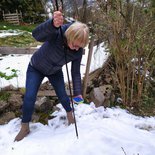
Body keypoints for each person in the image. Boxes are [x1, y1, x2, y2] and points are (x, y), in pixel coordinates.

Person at [14, 10, 89, 142]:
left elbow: (75, 73)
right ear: (70, 36)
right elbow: (36, 35)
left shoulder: (78, 51)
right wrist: (52, 25)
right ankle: (25, 126)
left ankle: (71, 118)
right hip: (35, 68)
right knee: (30, 97)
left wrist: (77, 93)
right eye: (75, 45)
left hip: (54, 71)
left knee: (63, 95)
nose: (77, 49)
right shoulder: (58, 32)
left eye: (80, 47)